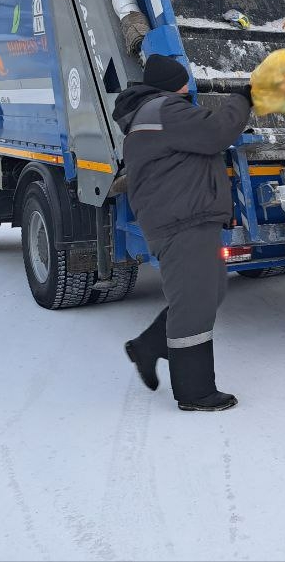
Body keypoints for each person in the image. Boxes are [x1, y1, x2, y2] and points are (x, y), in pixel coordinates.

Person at [112, 54, 252, 412]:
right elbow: (215, 133)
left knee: (209, 291)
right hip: (181, 220)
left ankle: (148, 346)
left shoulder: (155, 112)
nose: (190, 86)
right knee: (195, 303)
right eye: (185, 80)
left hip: (184, 217)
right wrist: (243, 99)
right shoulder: (164, 110)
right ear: (174, 83)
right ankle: (195, 392)